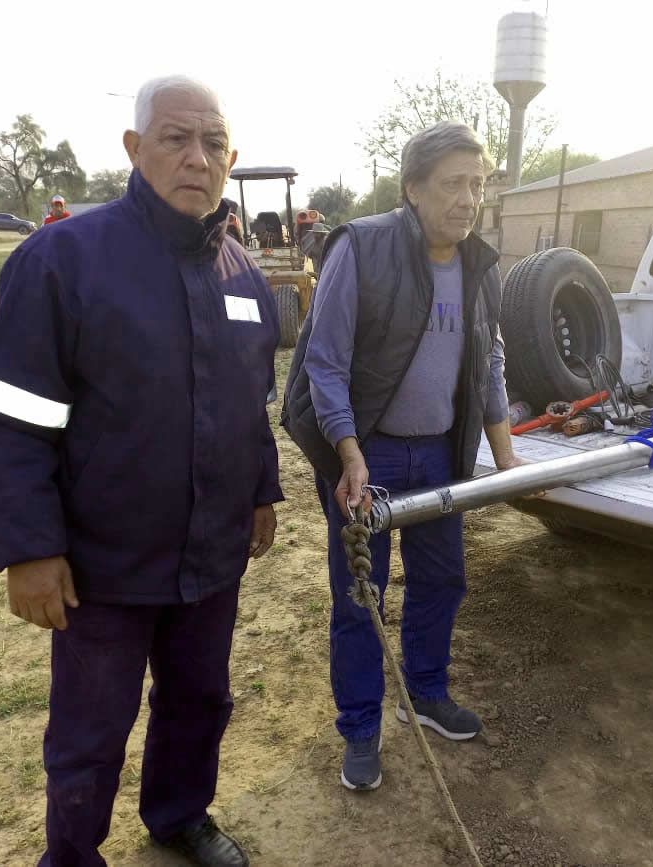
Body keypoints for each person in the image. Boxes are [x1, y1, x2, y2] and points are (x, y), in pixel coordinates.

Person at [0, 75, 281, 867]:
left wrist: (262, 491)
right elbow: (3, 420)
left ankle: (178, 814)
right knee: (91, 730)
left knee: (200, 700)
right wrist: (29, 548)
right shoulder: (63, 261)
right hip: (102, 563)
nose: (195, 158)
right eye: (175, 138)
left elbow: (250, 401)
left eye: (212, 143)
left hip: (211, 552)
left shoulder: (243, 274)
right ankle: (71, 854)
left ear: (230, 158)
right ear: (135, 149)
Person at [282, 121, 524, 791]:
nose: (468, 199)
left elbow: (490, 360)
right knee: (362, 595)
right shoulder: (362, 249)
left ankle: (425, 690)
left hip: (444, 452)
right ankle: (360, 728)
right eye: (452, 184)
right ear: (414, 188)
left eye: (478, 185)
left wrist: (505, 461)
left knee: (443, 581)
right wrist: (348, 453)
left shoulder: (481, 264)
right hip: (372, 453)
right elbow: (324, 363)